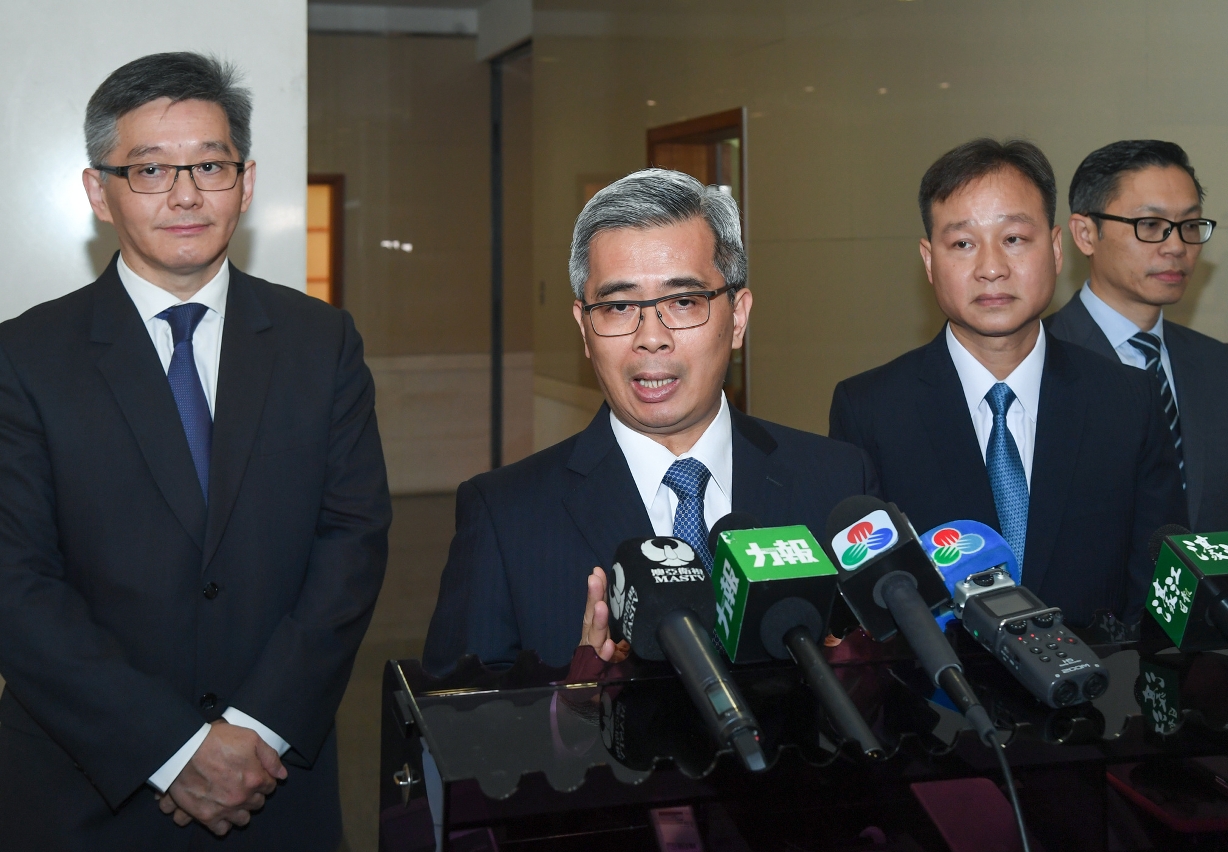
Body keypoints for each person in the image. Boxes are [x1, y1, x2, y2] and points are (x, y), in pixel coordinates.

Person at [0, 53, 391, 850]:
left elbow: (352, 542)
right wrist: (172, 750)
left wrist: (256, 727)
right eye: (149, 169)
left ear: (245, 185)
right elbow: (16, 583)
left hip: (276, 777)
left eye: (210, 165)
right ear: (98, 192)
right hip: (85, 789)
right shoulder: (24, 358)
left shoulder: (321, 342)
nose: (185, 195)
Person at [423, 168, 877, 674]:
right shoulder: (505, 517)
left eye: (683, 302)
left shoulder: (837, 481)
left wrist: (858, 680)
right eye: (619, 307)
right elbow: (455, 714)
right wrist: (572, 703)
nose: (651, 338)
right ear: (584, 328)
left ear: (738, 318)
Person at [829, 139, 1186, 626]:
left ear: (1056, 249)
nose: (992, 269)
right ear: (929, 260)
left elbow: (1158, 588)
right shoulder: (870, 409)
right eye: (963, 244)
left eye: (1014, 238)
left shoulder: (1128, 400)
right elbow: (866, 607)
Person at [1047, 140, 1228, 565]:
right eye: (1150, 225)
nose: (1176, 246)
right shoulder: (1036, 359)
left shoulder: (1221, 367)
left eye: (1189, 225)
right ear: (1085, 234)